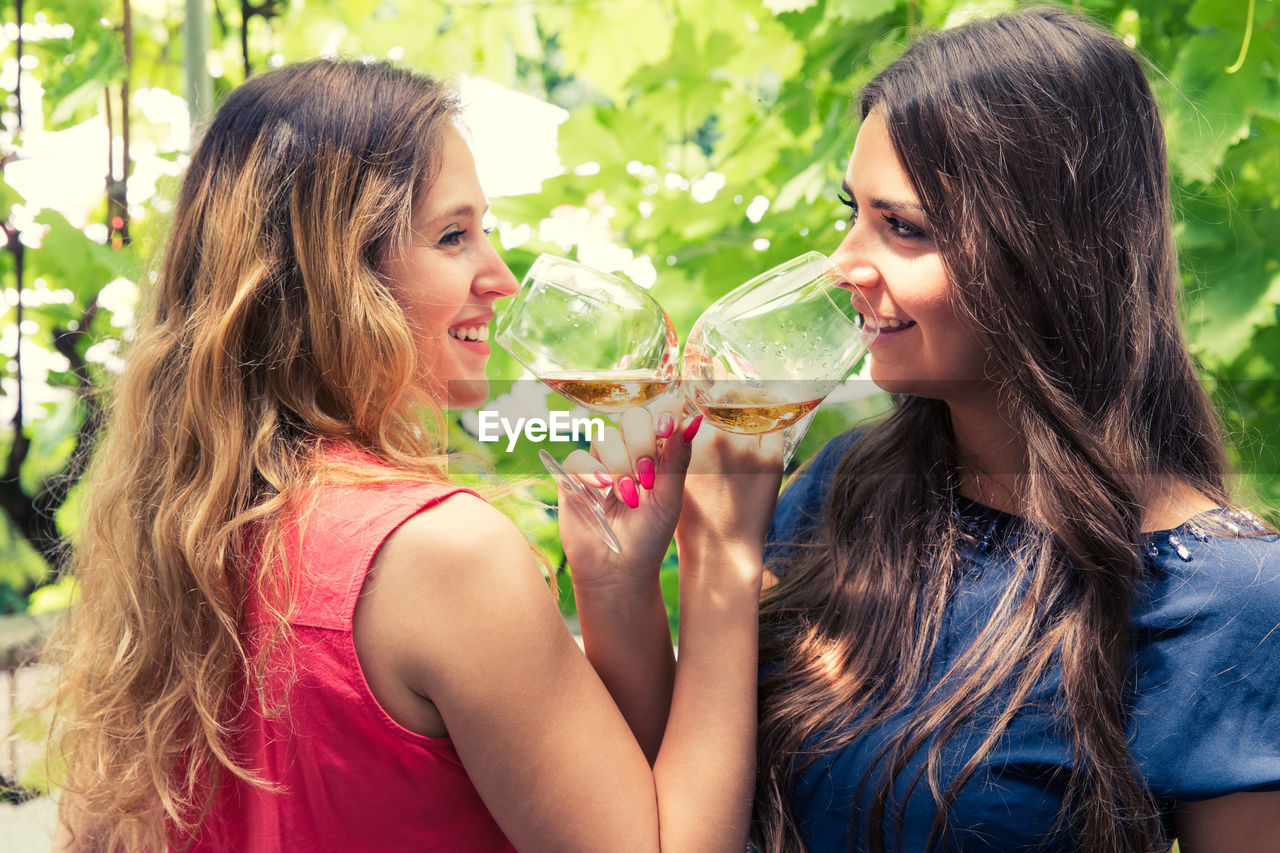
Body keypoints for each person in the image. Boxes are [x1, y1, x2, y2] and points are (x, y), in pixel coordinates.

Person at [44, 59, 782, 852]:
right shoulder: (440, 553)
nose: (499, 277)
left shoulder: (178, 540)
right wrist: (722, 562)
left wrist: (611, 581)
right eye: (454, 236)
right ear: (338, 273)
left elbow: (611, 807)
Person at [749, 7, 1280, 852]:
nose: (843, 263)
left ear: (1043, 255)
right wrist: (637, 578)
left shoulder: (1233, 600)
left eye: (904, 227)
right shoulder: (844, 487)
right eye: (853, 211)